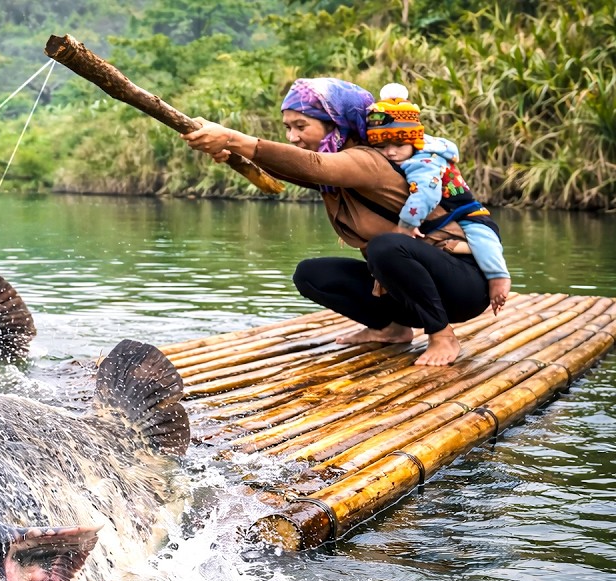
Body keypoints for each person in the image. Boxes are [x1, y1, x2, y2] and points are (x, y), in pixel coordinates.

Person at [181, 77, 491, 366]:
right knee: (312, 274)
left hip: (462, 286)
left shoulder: (368, 160)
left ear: (337, 124)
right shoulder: (339, 175)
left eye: (301, 126)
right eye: (288, 127)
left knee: (386, 247)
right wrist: (236, 154)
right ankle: (392, 329)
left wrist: (234, 139)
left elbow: (314, 167)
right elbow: (297, 170)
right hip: (406, 290)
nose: (292, 137)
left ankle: (442, 335)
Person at [365, 83, 511, 315]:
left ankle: (499, 279)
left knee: (485, 242)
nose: (390, 152)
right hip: (446, 219)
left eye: (398, 144)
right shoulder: (406, 157)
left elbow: (426, 194)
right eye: (381, 146)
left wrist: (406, 226)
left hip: (468, 213)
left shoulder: (424, 162)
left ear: (414, 141)